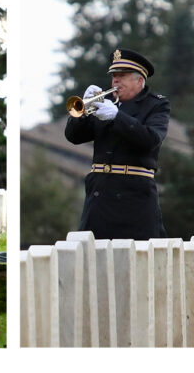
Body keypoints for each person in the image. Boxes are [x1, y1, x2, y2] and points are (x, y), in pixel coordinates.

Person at [64, 46, 171, 233]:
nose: (115, 80)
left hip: (134, 196)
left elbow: (151, 139)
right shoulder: (106, 105)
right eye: (114, 75)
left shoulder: (156, 105)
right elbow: (73, 137)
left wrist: (117, 117)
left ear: (139, 80)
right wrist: (81, 112)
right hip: (99, 194)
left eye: (122, 75)